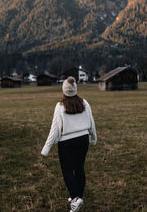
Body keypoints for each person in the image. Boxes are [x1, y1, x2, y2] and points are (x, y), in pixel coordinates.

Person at [41, 76, 97, 212]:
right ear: (75, 89)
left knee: (67, 171)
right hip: (83, 139)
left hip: (67, 142)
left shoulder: (60, 106)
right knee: (79, 168)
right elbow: (92, 122)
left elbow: (54, 129)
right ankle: (78, 197)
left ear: (64, 90)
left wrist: (46, 148)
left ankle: (76, 199)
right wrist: (93, 137)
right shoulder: (84, 103)